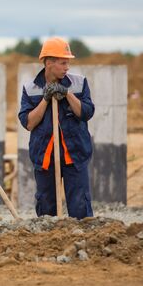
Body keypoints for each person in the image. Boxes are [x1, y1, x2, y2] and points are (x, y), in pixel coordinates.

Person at [18, 37, 94, 219]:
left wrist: (67, 93)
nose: (67, 67)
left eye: (68, 62)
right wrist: (45, 99)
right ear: (49, 63)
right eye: (63, 62)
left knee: (79, 206)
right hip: (45, 156)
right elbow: (28, 123)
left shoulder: (79, 83)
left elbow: (86, 112)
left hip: (74, 154)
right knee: (46, 207)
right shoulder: (31, 88)